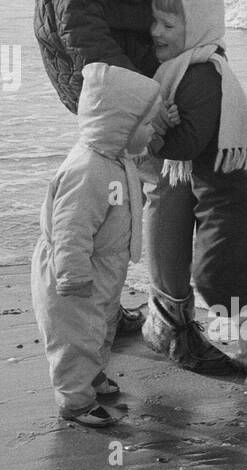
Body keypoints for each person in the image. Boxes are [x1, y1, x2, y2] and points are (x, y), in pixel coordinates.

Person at [34, 0, 228, 349]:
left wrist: (196, 47)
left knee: (134, 182)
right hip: (90, 57)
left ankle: (111, 304)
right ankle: (166, 321)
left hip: (140, 44)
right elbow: (77, 18)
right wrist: (137, 97)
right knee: (161, 175)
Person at [141, 0, 247, 387]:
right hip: (222, 197)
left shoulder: (201, 77)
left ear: (198, 28)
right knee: (221, 273)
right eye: (154, 21)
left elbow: (189, 145)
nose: (156, 31)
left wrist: (155, 133)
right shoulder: (188, 69)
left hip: (238, 201)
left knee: (213, 275)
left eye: (169, 25)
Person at [31, 63, 167, 427]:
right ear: (120, 126)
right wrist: (73, 276)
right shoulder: (88, 171)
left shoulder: (115, 157)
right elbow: (70, 229)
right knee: (75, 336)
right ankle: (74, 400)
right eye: (147, 124)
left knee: (101, 326)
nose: (153, 131)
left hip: (104, 266)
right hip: (74, 272)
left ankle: (90, 377)